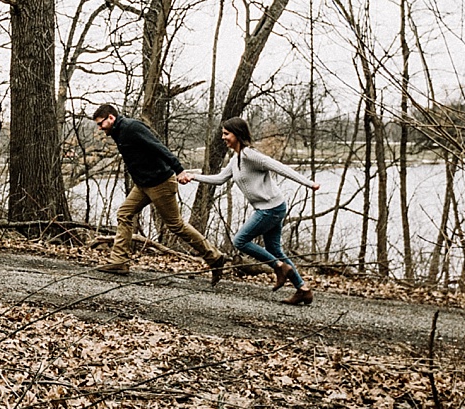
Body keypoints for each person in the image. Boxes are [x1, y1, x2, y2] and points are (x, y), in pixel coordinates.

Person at [179, 116, 320, 305]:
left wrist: (309, 183)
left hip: (270, 208)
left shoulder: (249, 155)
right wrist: (193, 177)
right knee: (274, 248)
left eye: (226, 134)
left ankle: (279, 267)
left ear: (237, 134)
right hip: (271, 207)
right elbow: (220, 179)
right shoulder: (236, 159)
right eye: (222, 133)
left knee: (240, 240)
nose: (223, 137)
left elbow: (279, 167)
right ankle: (302, 289)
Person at [92, 103, 227, 278]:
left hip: (160, 182)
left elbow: (158, 147)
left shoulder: (132, 127)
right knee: (124, 214)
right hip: (143, 185)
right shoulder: (118, 132)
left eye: (101, 123)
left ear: (111, 117)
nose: (100, 128)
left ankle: (215, 257)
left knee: (176, 225)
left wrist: (179, 170)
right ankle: (119, 262)